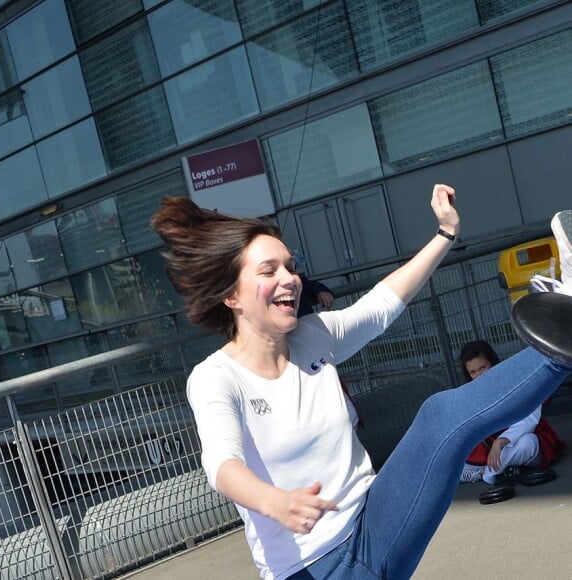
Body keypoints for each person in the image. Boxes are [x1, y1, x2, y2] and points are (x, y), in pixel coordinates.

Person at [151, 188, 572, 580]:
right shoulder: (216, 378)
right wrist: (273, 501)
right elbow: (223, 466)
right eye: (269, 270)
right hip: (320, 567)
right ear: (232, 297)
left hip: (374, 517)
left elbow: (382, 304)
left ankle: (566, 324)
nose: (290, 279)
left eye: (291, 267)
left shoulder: (310, 336)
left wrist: (446, 233)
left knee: (439, 416)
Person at [458, 339, 566, 484]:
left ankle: (488, 473)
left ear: (493, 363)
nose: (479, 376)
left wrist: (500, 442)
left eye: (483, 368)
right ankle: (497, 469)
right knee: (456, 465)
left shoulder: (515, 382)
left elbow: (529, 420)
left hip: (523, 444)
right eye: (473, 372)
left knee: (528, 442)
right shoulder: (470, 396)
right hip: (495, 452)